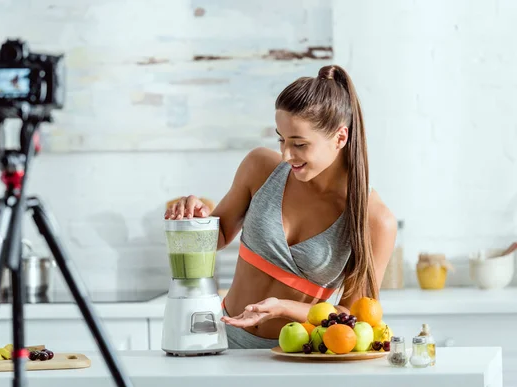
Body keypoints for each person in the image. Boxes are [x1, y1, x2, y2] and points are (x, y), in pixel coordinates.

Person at [164, 65, 397, 349]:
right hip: (219, 339)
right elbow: (218, 237)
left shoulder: (373, 219)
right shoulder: (260, 167)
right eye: (281, 139)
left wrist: (285, 307)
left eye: (299, 144)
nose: (286, 154)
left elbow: (354, 319)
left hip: (296, 356)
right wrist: (196, 217)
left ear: (340, 138)